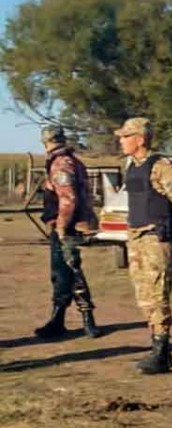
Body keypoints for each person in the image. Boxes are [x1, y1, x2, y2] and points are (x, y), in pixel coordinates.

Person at [116, 117, 172, 375]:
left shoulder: (163, 167)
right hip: (137, 238)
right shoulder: (131, 165)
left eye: (126, 136)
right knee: (144, 296)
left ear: (140, 139)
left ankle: (161, 352)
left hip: (155, 238)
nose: (121, 140)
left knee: (157, 295)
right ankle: (159, 348)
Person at [34, 124, 101, 340]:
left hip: (67, 226)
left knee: (71, 272)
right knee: (62, 273)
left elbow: (68, 199)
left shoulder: (60, 164)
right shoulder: (72, 161)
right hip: (72, 224)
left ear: (46, 141)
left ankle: (87, 320)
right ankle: (59, 319)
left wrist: (61, 226)